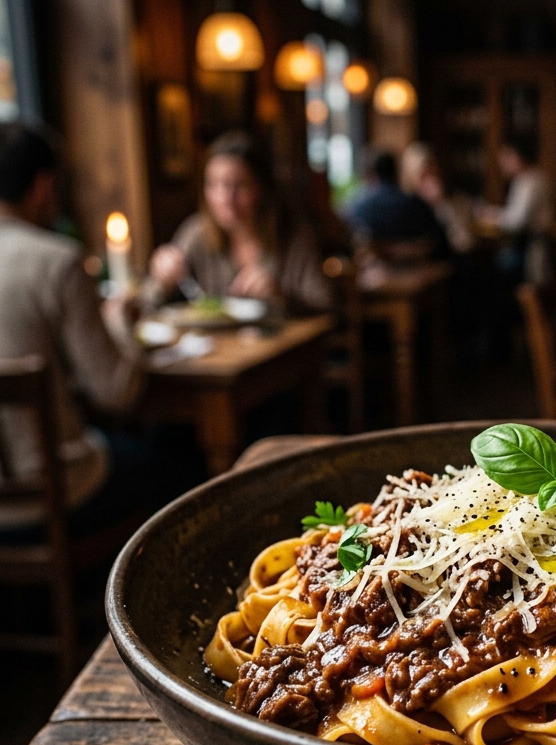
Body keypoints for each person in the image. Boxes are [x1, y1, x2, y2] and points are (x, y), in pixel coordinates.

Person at [0, 122, 150, 538]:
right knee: (173, 462)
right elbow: (117, 392)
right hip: (56, 495)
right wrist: (120, 324)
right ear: (43, 186)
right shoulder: (57, 261)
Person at [144, 131, 331, 313]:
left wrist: (282, 296)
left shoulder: (295, 234)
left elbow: (326, 306)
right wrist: (162, 281)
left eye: (239, 185)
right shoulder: (196, 232)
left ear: (262, 188)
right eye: (213, 184)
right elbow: (146, 302)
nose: (225, 198)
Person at [476, 136, 553, 284]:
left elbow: (516, 222)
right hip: (525, 247)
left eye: (506, 156)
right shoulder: (528, 179)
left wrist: (493, 217)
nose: (502, 163)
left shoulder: (530, 182)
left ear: (518, 156)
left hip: (528, 250)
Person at [346, 149, 449, 258]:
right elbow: (439, 242)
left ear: (371, 173)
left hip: (375, 266)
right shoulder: (416, 205)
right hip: (418, 266)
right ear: (397, 171)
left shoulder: (357, 207)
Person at [399, 142, 475, 254]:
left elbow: (464, 244)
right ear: (410, 176)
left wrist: (441, 204)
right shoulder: (404, 205)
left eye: (432, 171)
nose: (430, 179)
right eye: (424, 174)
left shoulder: (456, 202)